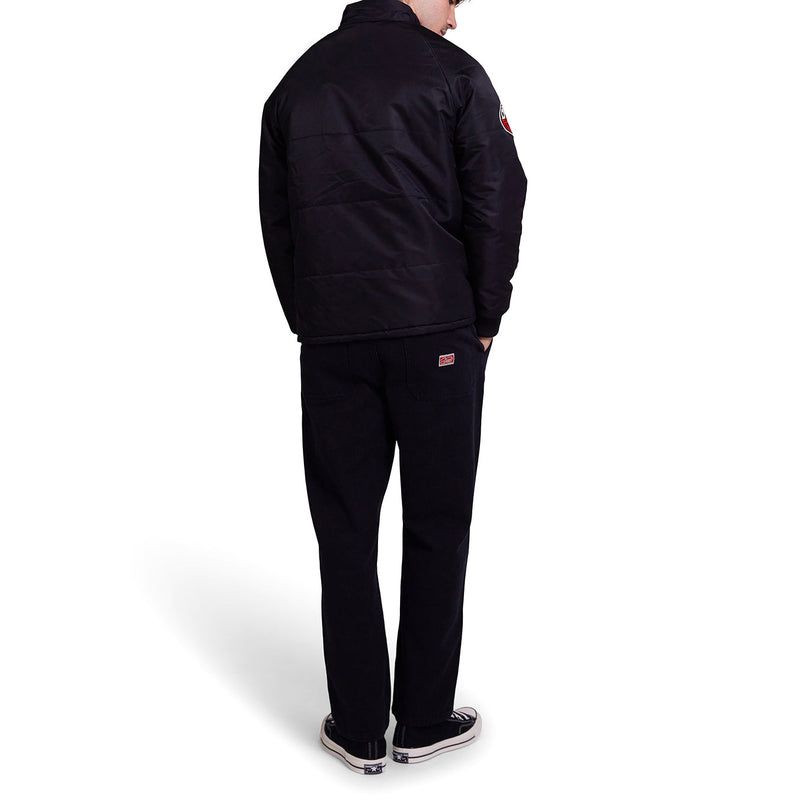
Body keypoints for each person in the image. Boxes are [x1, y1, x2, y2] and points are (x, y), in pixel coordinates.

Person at [259, 0, 527, 774]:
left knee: (343, 530)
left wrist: (314, 319)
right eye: (453, 0)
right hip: (436, 333)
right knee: (438, 523)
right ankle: (424, 719)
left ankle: (357, 728)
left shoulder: (298, 84)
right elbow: (499, 197)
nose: (456, 17)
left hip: (333, 342)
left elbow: (279, 221)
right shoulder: (454, 76)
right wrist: (485, 317)